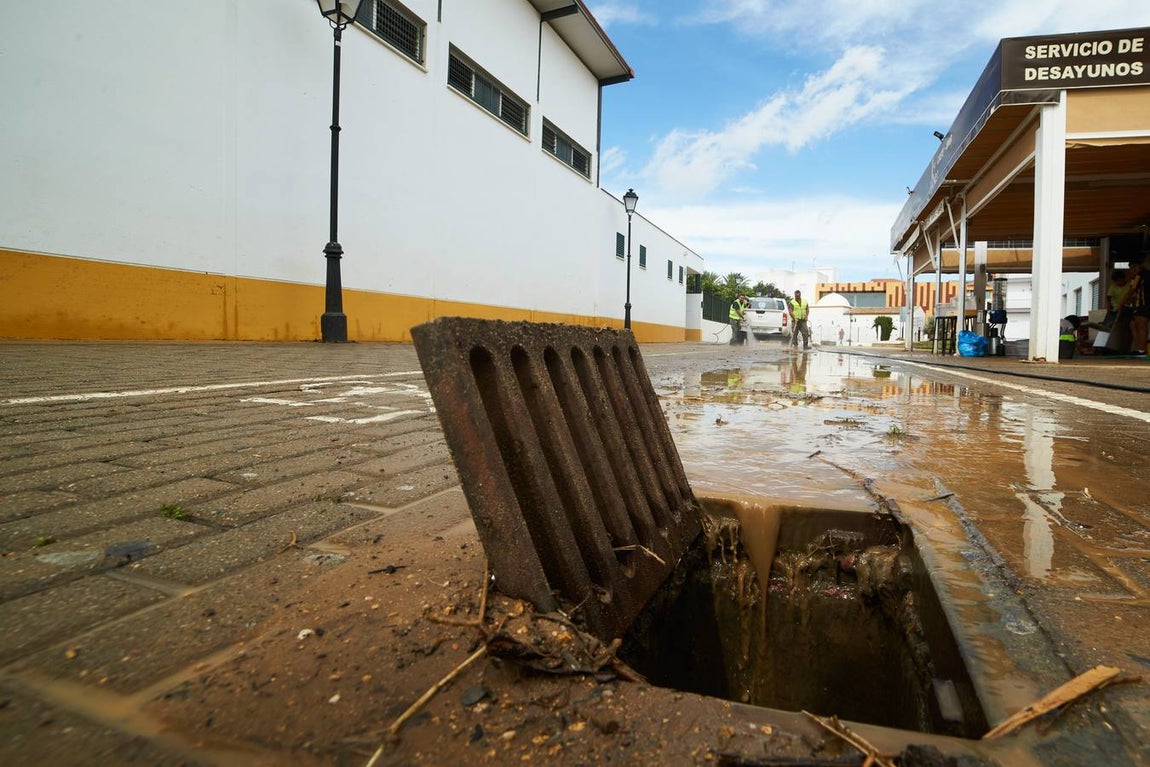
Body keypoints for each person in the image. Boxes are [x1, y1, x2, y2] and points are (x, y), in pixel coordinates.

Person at [1128, 259, 1148, 356]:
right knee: (1133, 325)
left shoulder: (1139, 276)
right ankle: (1138, 348)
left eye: (1135, 267)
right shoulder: (1138, 276)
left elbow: (1132, 290)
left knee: (1141, 326)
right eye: (1131, 267)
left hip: (1143, 305)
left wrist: (1121, 303)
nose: (1133, 269)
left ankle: (1141, 350)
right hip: (1140, 305)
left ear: (1140, 265)